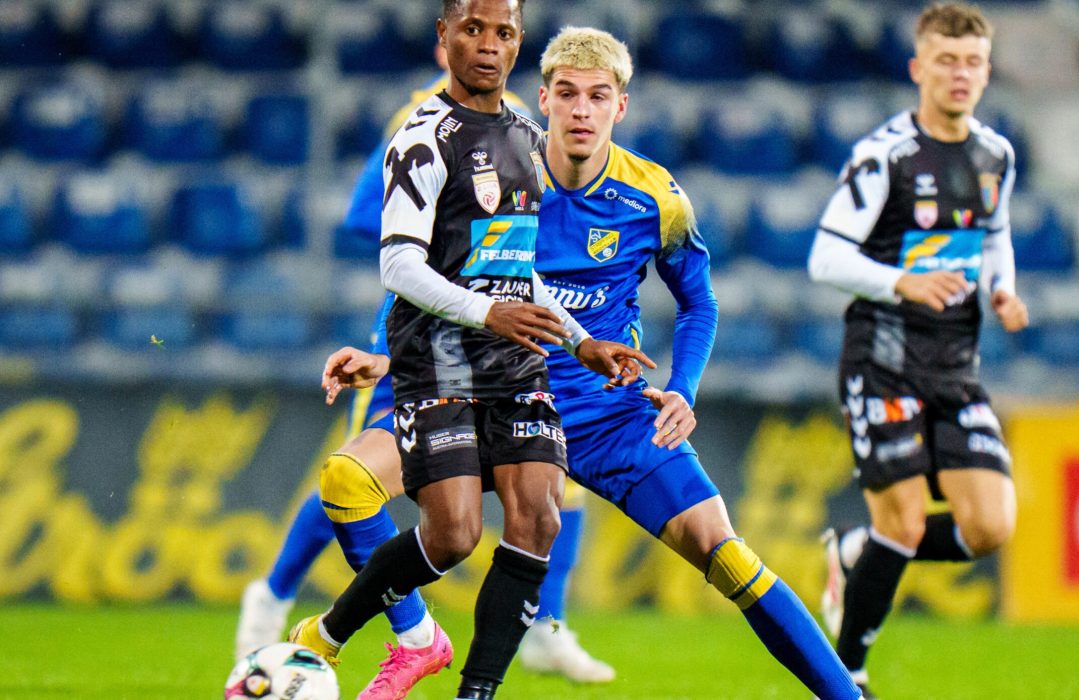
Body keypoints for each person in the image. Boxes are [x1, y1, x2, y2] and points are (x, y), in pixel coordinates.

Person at [315, 25, 865, 700]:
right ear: (542, 99)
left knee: (728, 555)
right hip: (497, 397)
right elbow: (460, 283)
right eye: (567, 94)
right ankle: (405, 641)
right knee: (348, 481)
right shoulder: (499, 172)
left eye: (598, 96)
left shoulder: (656, 198)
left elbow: (700, 302)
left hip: (608, 414)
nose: (581, 110)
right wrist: (386, 358)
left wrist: (683, 388)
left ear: (620, 107)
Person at [286, 4, 652, 700]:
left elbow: (515, 263)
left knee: (540, 512)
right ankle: (326, 635)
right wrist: (491, 311)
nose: (488, 45)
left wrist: (581, 341)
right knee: (452, 536)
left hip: (514, 362)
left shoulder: (524, 136)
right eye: (473, 30)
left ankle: (475, 691)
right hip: (441, 361)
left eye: (503, 33)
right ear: (444, 39)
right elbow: (398, 266)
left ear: (518, 47)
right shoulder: (422, 137)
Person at [808, 3, 1029, 697]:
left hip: (957, 368)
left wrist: (1003, 290)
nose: (960, 75)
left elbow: (994, 233)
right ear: (918, 69)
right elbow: (824, 258)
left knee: (991, 526)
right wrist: (903, 281)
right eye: (946, 61)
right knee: (902, 521)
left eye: (972, 63)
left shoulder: (997, 154)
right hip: (883, 361)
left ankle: (853, 555)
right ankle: (848, 673)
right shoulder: (885, 156)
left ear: (987, 73)